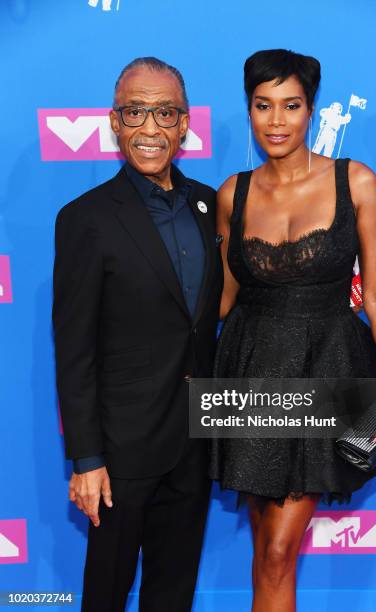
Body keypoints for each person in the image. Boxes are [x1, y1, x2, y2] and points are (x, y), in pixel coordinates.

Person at [209, 49, 376, 612]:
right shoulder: (233, 194)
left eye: (291, 106)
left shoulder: (357, 182)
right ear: (248, 110)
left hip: (329, 368)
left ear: (311, 110)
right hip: (251, 375)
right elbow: (223, 299)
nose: (276, 121)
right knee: (266, 550)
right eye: (263, 105)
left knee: (278, 549)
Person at [53, 57, 222, 611]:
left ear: (185, 123)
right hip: (121, 452)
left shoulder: (207, 205)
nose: (150, 128)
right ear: (113, 121)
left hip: (195, 441)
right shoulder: (86, 218)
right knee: (106, 591)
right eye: (135, 112)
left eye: (165, 113)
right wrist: (86, 459)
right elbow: (74, 349)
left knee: (173, 592)